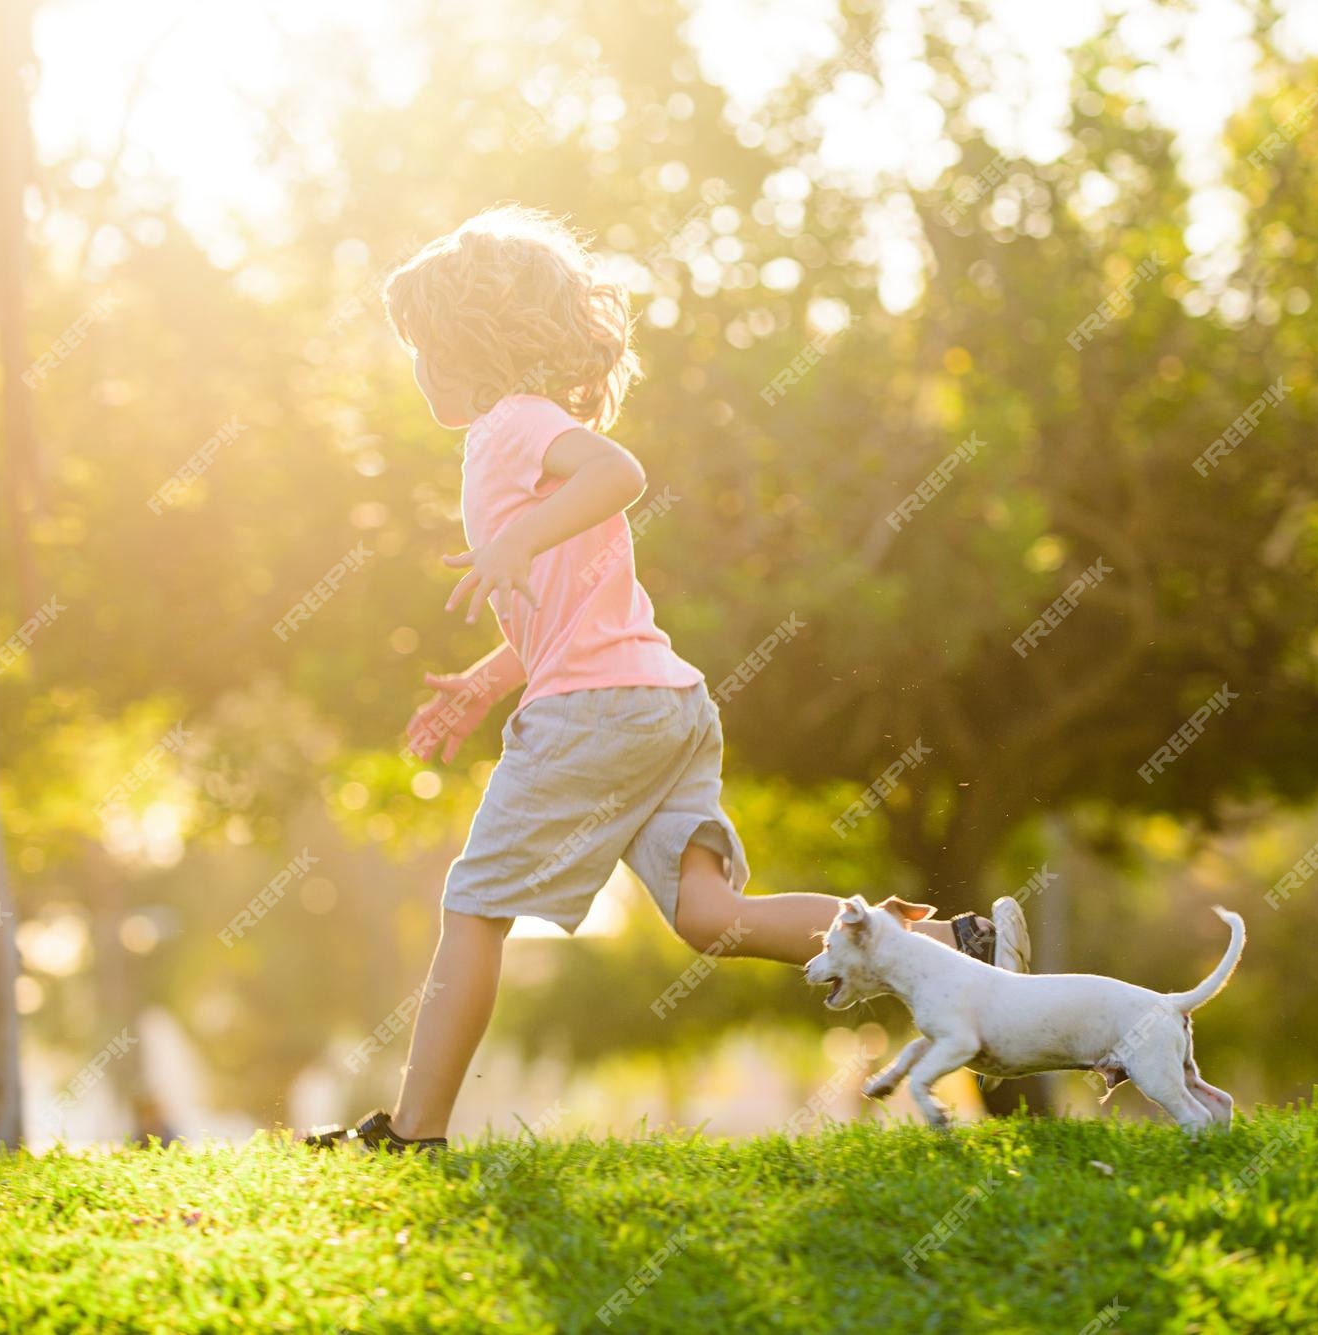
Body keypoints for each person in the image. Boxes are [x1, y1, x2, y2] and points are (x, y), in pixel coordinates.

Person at [301, 206, 1029, 1153]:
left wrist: (515, 535)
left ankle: (415, 1130)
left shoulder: (512, 426)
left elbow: (620, 471)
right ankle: (955, 948)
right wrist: (489, 678)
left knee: (472, 910)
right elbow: (567, 616)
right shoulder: (514, 436)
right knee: (711, 918)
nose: (413, 368)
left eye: (418, 346)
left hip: (598, 714)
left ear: (462, 343)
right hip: (661, 703)